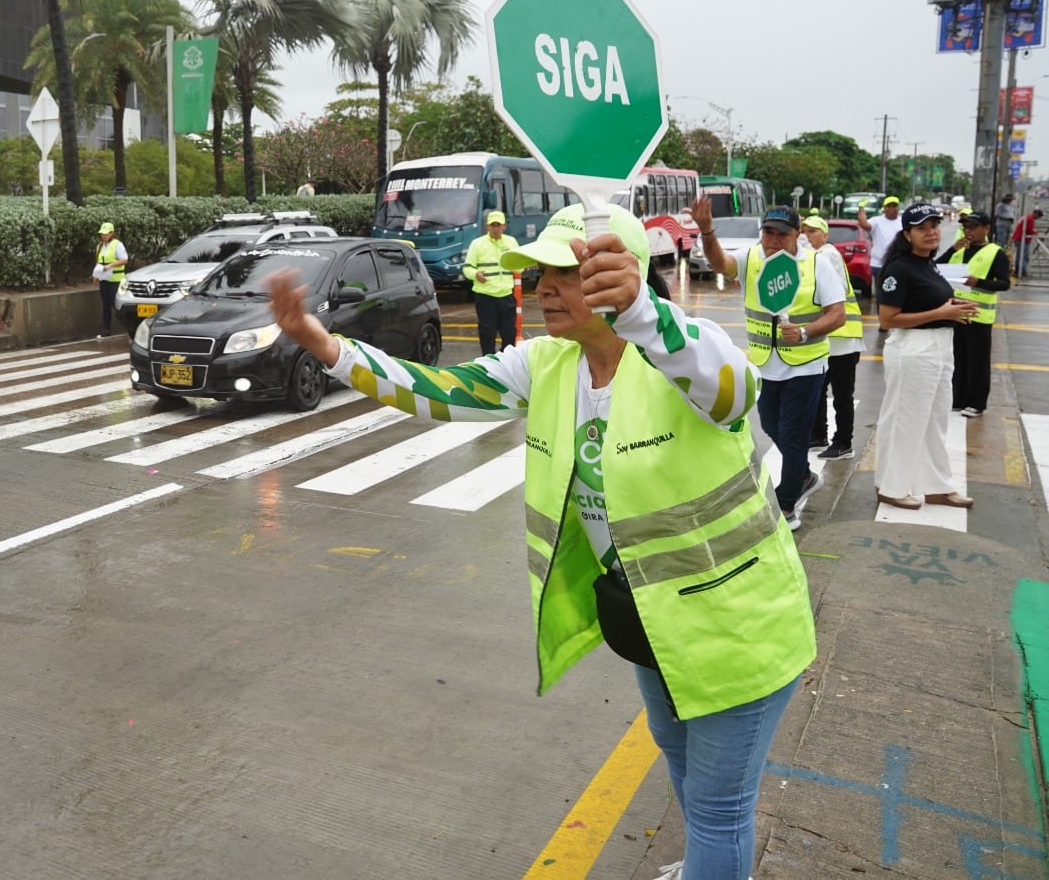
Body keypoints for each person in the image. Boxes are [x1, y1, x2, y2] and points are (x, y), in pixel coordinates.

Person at [266, 204, 815, 880]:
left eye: (565, 273)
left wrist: (643, 313)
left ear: (620, 274)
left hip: (739, 625)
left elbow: (734, 391)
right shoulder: (550, 363)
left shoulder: (686, 350)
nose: (544, 289)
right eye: (539, 275)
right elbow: (441, 389)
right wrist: (328, 348)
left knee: (720, 807)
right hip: (654, 624)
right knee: (682, 774)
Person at [697, 200, 846, 530]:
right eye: (768, 232)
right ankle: (803, 476)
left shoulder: (816, 264)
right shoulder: (751, 259)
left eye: (781, 233)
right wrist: (707, 230)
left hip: (806, 365)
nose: (773, 240)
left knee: (793, 437)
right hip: (765, 363)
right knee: (768, 424)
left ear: (796, 235)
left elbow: (838, 314)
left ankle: (787, 503)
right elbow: (719, 263)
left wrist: (806, 331)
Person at [873, 201, 978, 510]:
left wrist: (954, 308)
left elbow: (926, 301)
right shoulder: (899, 268)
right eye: (922, 228)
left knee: (935, 420)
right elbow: (887, 320)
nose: (931, 232)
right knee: (905, 419)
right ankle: (891, 486)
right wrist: (941, 312)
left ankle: (936, 486)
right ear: (907, 234)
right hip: (914, 349)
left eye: (934, 226)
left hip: (941, 347)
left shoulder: (928, 263)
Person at [802, 216, 863, 460]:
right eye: (804, 231)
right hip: (829, 339)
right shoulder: (817, 256)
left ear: (825, 236)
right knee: (818, 389)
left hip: (844, 338)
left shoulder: (827, 255)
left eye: (814, 231)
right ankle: (818, 435)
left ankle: (843, 442)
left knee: (842, 394)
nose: (807, 236)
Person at [939, 211, 1009, 417]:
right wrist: (953, 248)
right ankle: (958, 399)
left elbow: (1004, 283)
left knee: (977, 361)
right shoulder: (960, 250)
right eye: (966, 227)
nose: (968, 231)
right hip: (956, 313)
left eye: (973, 227)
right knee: (958, 359)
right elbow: (936, 267)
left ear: (986, 228)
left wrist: (978, 282)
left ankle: (977, 402)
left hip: (979, 315)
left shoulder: (995, 252)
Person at [462, 210, 520, 354]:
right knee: (487, 333)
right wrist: (476, 274)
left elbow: (520, 266)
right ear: (487, 226)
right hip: (485, 297)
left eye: (498, 225)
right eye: (493, 225)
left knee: (509, 333)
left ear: (504, 226)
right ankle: (487, 360)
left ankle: (506, 361)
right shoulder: (477, 244)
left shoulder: (511, 242)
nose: (495, 228)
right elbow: (467, 268)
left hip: (506, 295)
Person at [857, 196, 903, 316]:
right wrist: (861, 207)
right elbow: (863, 224)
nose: (892, 208)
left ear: (898, 208)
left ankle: (896, 317)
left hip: (898, 263)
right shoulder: (877, 221)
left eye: (894, 206)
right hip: (879, 265)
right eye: (889, 206)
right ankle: (883, 319)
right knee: (881, 293)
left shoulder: (903, 221)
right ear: (884, 209)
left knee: (898, 292)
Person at [92, 221, 128, 339]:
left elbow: (124, 260)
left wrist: (111, 265)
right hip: (105, 279)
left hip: (116, 279)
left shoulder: (117, 245)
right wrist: (96, 274)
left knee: (115, 303)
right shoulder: (100, 246)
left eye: (106, 234)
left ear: (112, 233)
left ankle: (128, 327)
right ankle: (106, 329)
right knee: (105, 304)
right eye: (102, 234)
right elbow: (99, 261)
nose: (103, 236)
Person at [1010, 207, 1040, 279]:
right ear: (1036, 214)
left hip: (1018, 238)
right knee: (1024, 257)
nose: (1038, 218)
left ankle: (1018, 271)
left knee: (1019, 256)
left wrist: (1012, 238)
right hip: (1022, 239)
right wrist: (1035, 232)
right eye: (1038, 216)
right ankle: (1022, 272)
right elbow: (1028, 230)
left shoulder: (1025, 217)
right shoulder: (1030, 219)